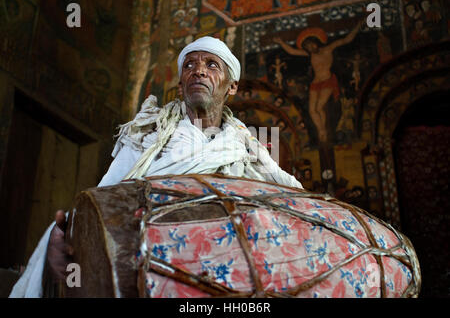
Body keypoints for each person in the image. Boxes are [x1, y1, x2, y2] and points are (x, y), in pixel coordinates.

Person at [10, 36, 303, 297]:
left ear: (232, 87)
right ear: (180, 84)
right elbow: (105, 196)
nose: (198, 70)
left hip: (223, 275)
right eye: (189, 66)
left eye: (212, 65)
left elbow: (291, 199)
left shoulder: (247, 148)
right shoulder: (147, 134)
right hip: (146, 269)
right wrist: (63, 233)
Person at [273, 22, 363, 142]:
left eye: (311, 45)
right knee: (312, 110)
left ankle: (323, 131)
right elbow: (292, 52)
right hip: (315, 83)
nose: (310, 48)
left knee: (319, 108)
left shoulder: (328, 49)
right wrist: (281, 43)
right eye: (307, 47)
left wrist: (359, 25)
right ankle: (320, 130)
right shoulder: (309, 54)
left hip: (327, 80)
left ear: (317, 42)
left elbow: (346, 39)